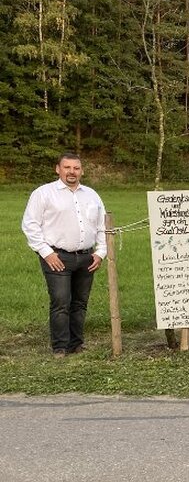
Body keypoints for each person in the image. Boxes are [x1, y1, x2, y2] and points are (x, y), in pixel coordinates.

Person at [21, 152, 107, 356]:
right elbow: (30, 224)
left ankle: (76, 344)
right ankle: (60, 346)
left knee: (80, 303)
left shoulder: (92, 195)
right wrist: (46, 253)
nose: (72, 172)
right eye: (67, 167)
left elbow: (102, 225)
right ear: (58, 169)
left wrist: (101, 252)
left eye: (76, 168)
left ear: (82, 171)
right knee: (61, 302)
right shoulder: (43, 193)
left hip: (87, 257)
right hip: (57, 257)